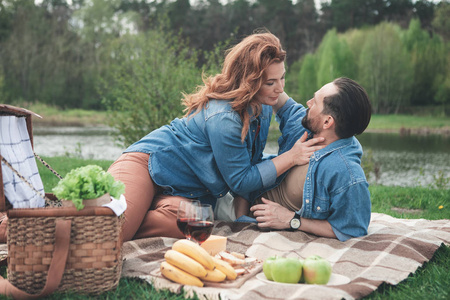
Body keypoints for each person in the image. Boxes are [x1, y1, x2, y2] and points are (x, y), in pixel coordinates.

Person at [107, 31, 325, 242]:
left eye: (282, 78)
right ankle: (122, 212)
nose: (280, 89)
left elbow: (293, 114)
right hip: (148, 164)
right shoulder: (225, 118)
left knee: (196, 224)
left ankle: (146, 205)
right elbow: (241, 180)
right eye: (271, 82)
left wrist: (330, 127)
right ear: (249, 81)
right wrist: (291, 157)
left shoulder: (264, 99)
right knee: (116, 231)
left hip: (183, 190)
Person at [241, 77, 372, 242]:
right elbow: (283, 103)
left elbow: (352, 230)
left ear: (327, 122)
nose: (308, 103)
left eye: (315, 102)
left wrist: (292, 220)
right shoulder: (306, 127)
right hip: (237, 196)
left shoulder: (347, 174)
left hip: (248, 218)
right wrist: (265, 73)